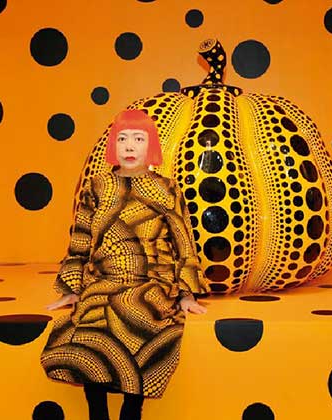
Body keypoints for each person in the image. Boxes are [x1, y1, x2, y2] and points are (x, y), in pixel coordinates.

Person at [40, 108, 211, 420]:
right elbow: (81, 236)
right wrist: (72, 288)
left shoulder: (166, 188)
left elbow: (183, 240)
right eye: (122, 139)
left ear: (151, 146)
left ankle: (132, 410)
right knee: (91, 322)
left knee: (140, 317)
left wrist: (187, 294)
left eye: (138, 139)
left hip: (153, 280)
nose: (129, 145)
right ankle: (97, 412)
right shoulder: (97, 186)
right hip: (104, 277)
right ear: (113, 146)